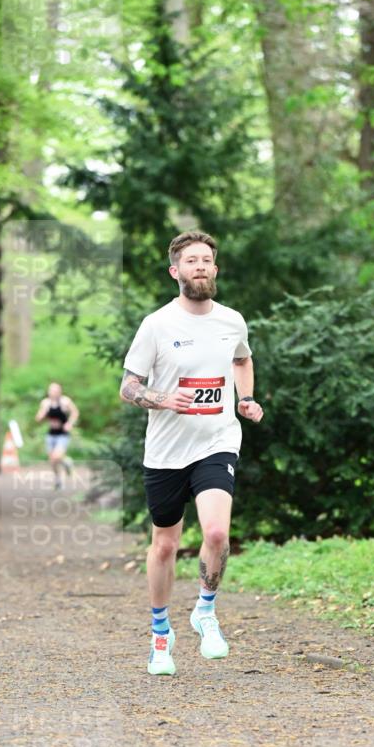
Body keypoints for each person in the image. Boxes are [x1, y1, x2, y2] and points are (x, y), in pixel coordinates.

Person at [120, 230, 263, 676]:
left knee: (217, 534)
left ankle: (205, 610)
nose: (200, 266)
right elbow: (128, 387)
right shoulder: (157, 325)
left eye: (206, 260)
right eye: (191, 261)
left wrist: (244, 399)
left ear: (215, 270)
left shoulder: (232, 321)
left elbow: (241, 359)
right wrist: (162, 399)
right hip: (165, 452)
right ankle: (160, 634)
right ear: (175, 271)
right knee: (165, 545)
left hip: (217, 440)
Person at [35, 383, 79, 489]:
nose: (52, 392)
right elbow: (38, 419)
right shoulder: (45, 403)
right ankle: (58, 480)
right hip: (51, 434)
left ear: (59, 391)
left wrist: (70, 423)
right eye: (51, 390)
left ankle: (67, 463)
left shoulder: (65, 401)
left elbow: (75, 412)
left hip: (63, 434)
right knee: (53, 460)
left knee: (56, 456)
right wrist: (42, 415)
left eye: (55, 390)